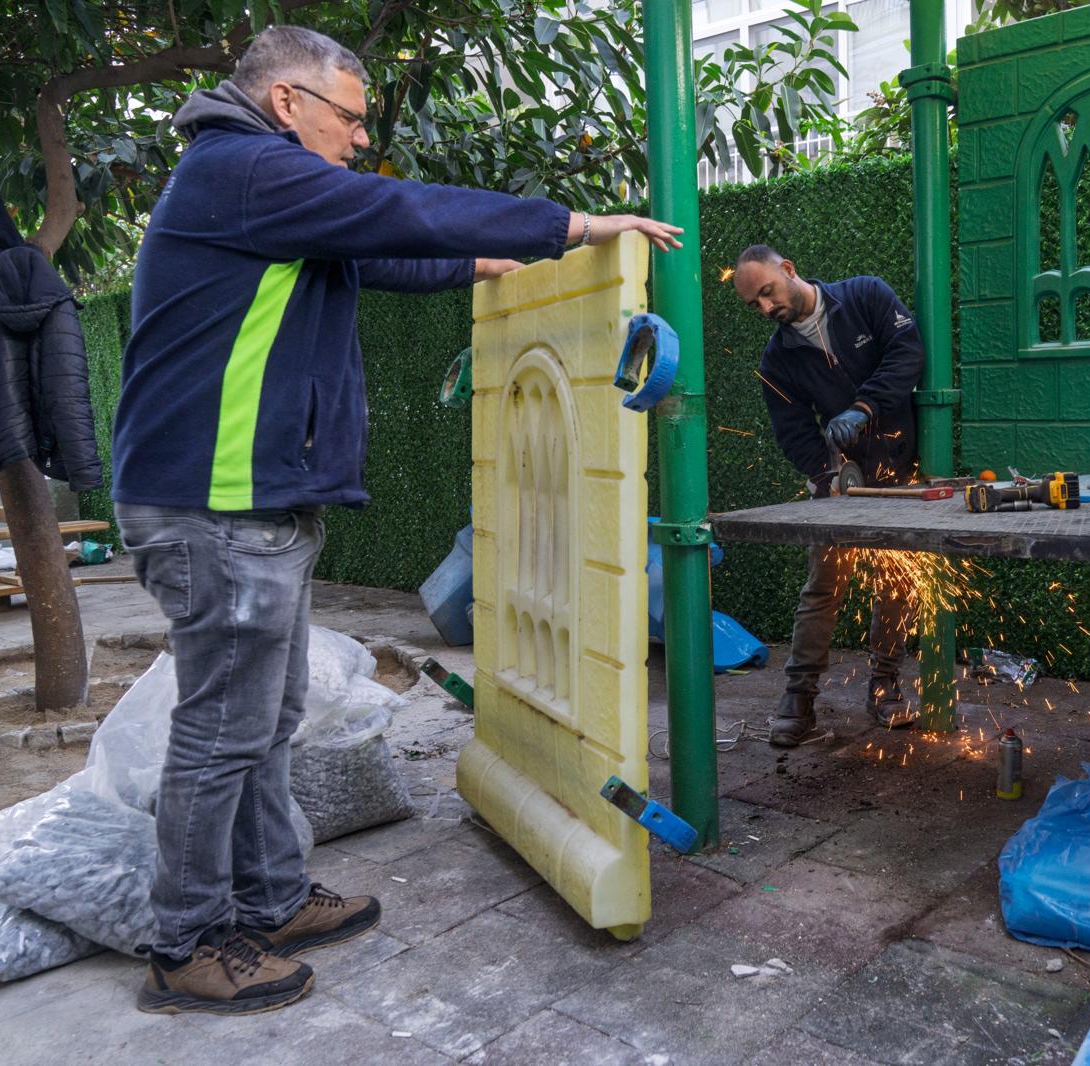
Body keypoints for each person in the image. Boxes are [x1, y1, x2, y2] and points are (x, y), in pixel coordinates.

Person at [112, 25, 682, 1016]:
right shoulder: (243, 167)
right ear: (288, 102)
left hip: (249, 503)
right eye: (350, 115)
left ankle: (271, 897)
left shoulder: (259, 191)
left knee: (264, 719)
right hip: (215, 506)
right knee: (223, 731)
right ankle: (187, 944)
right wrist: (568, 223)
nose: (358, 136)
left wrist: (478, 267)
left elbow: (374, 252)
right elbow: (393, 207)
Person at [732, 244, 926, 747]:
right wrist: (827, 474)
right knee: (823, 586)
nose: (765, 309)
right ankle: (798, 699)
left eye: (768, 294)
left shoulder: (865, 295)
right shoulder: (777, 359)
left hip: (904, 469)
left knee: (897, 581)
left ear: (789, 270)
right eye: (754, 305)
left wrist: (864, 407)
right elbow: (793, 431)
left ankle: (885, 684)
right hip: (842, 479)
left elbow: (909, 355)